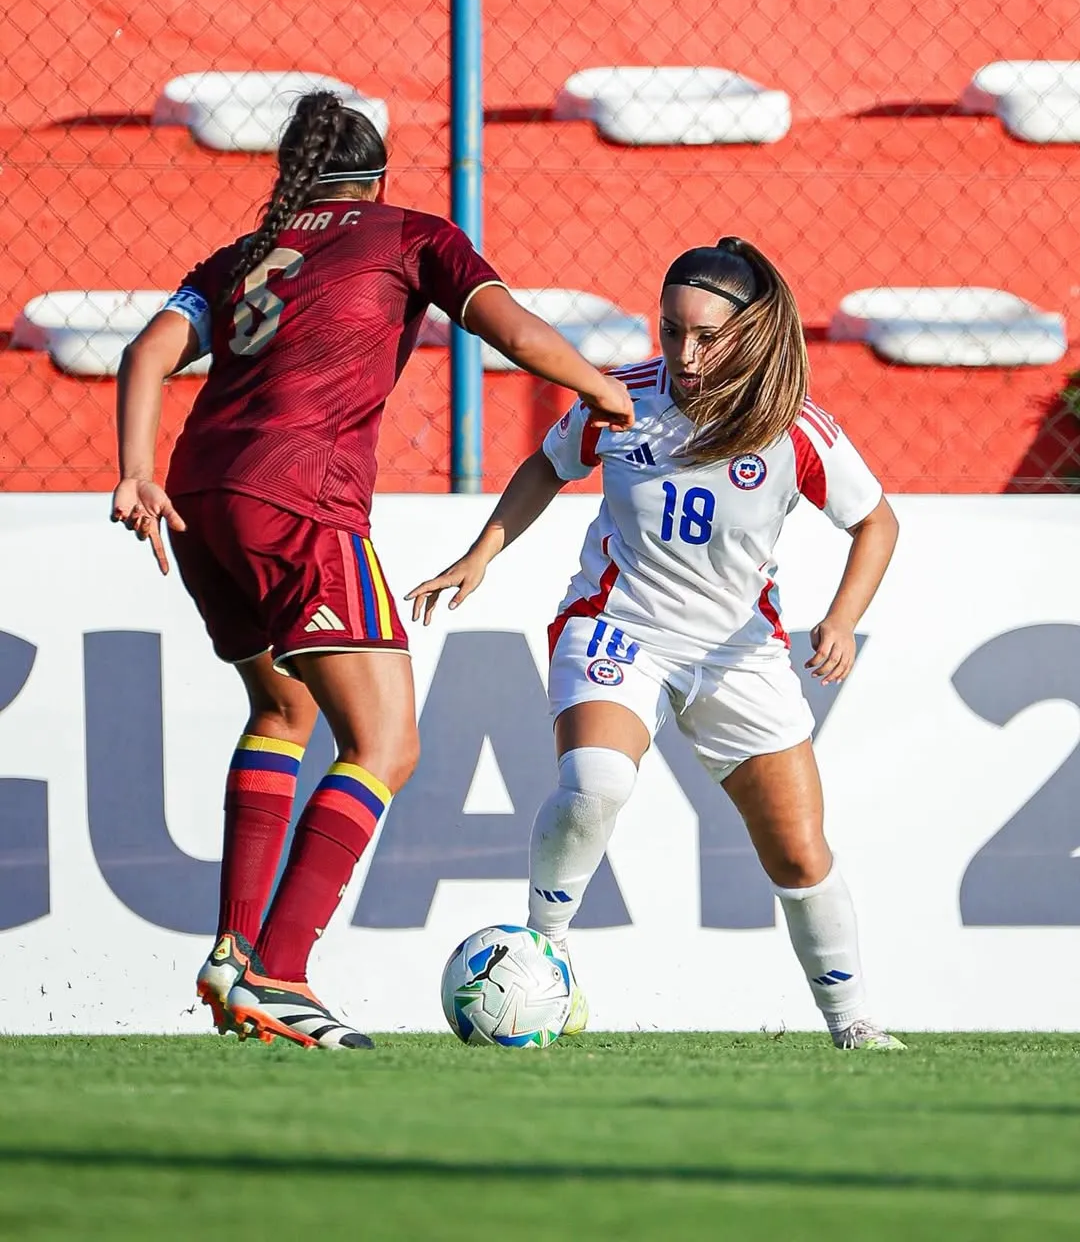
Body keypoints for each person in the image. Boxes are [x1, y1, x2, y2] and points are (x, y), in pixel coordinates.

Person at [111, 91, 634, 1051]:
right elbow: (511, 332)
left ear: (292, 177)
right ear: (380, 174)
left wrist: (137, 470)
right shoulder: (412, 234)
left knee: (281, 712)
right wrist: (604, 390)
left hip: (196, 493)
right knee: (387, 743)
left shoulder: (237, 257)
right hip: (301, 498)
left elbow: (147, 350)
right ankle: (281, 972)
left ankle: (234, 952)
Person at [408, 236, 905, 1050]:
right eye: (672, 330)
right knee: (595, 780)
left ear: (751, 333)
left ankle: (852, 1024)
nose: (685, 351)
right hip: (617, 625)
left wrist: (842, 618)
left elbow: (877, 521)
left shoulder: (794, 429)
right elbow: (546, 464)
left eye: (707, 336)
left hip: (738, 653)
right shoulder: (621, 397)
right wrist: (481, 555)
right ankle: (547, 956)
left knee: (799, 853)